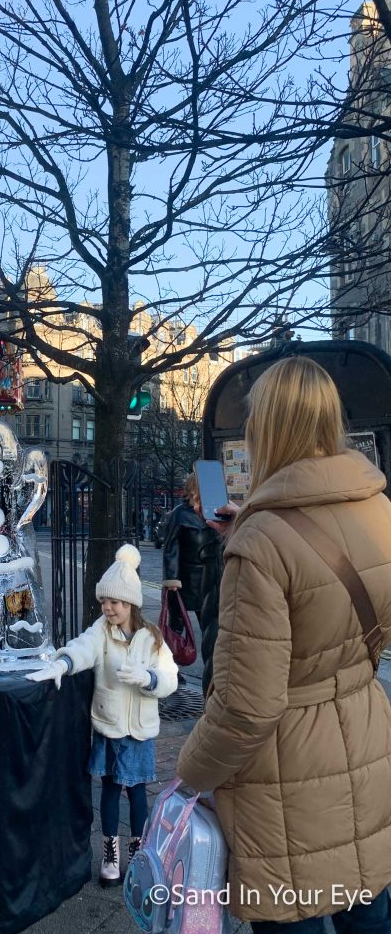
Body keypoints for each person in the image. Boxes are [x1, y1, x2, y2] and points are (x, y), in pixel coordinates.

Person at [176, 357, 391, 932]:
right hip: (365, 740)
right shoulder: (377, 506)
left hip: (285, 777)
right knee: (365, 899)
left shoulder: (263, 541)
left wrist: (188, 773)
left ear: (268, 427)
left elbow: (248, 706)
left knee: (293, 912)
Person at [26, 545, 178, 887]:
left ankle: (139, 854)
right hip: (110, 727)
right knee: (109, 789)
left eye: (116, 602)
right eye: (105, 602)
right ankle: (111, 855)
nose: (108, 608)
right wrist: (63, 663)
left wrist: (150, 679)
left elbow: (170, 676)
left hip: (138, 729)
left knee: (137, 791)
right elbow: (83, 647)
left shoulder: (152, 638)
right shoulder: (101, 631)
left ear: (131, 604)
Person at [161, 474, 222, 692]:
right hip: (185, 580)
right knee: (176, 628)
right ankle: (169, 670)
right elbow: (171, 548)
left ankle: (213, 671)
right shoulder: (180, 514)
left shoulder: (215, 512)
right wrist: (172, 578)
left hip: (208, 576)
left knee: (211, 627)